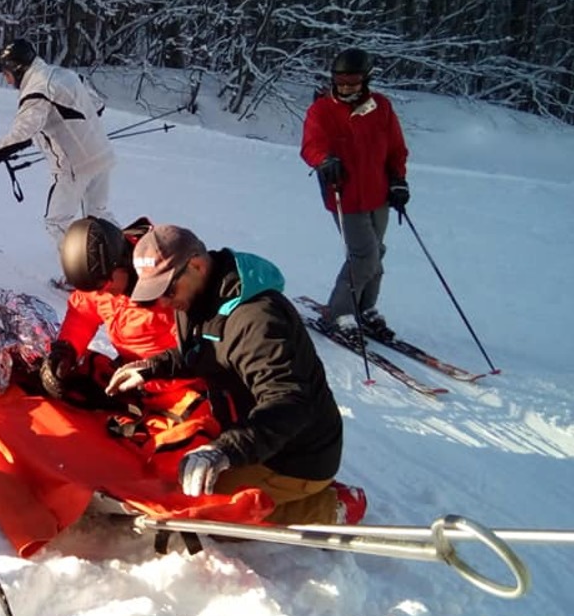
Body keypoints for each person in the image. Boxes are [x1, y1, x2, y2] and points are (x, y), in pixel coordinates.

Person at [104, 225, 366, 525]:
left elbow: (289, 403)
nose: (163, 303)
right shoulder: (201, 295)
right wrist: (153, 367)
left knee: (198, 510)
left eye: (168, 290)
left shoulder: (257, 319)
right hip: (260, 436)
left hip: (295, 456)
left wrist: (225, 450)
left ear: (197, 265)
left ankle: (331, 506)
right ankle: (281, 487)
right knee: (179, 476)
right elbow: (204, 351)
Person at [0, 38, 117, 248]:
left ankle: (82, 274)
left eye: (7, 74)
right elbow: (97, 106)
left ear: (18, 69)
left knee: (56, 223)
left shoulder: (37, 90)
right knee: (98, 216)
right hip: (102, 155)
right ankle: (126, 260)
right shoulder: (66, 75)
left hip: (74, 168)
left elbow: (21, 135)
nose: (7, 81)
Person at [301, 48, 409, 339]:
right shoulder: (322, 109)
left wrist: (399, 180)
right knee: (364, 255)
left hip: (379, 193)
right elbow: (311, 145)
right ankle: (340, 312)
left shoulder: (381, 107)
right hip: (344, 194)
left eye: (353, 81)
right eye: (341, 80)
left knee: (377, 253)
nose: (346, 87)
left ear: (366, 79)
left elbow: (396, 149)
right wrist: (324, 160)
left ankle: (365, 307)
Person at [39, 216, 179, 405]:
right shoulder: (101, 273)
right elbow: (83, 313)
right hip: (130, 376)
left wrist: (152, 373)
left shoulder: (167, 286)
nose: (101, 293)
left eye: (102, 286)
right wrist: (66, 349)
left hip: (176, 387)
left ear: (122, 263)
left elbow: (199, 350)